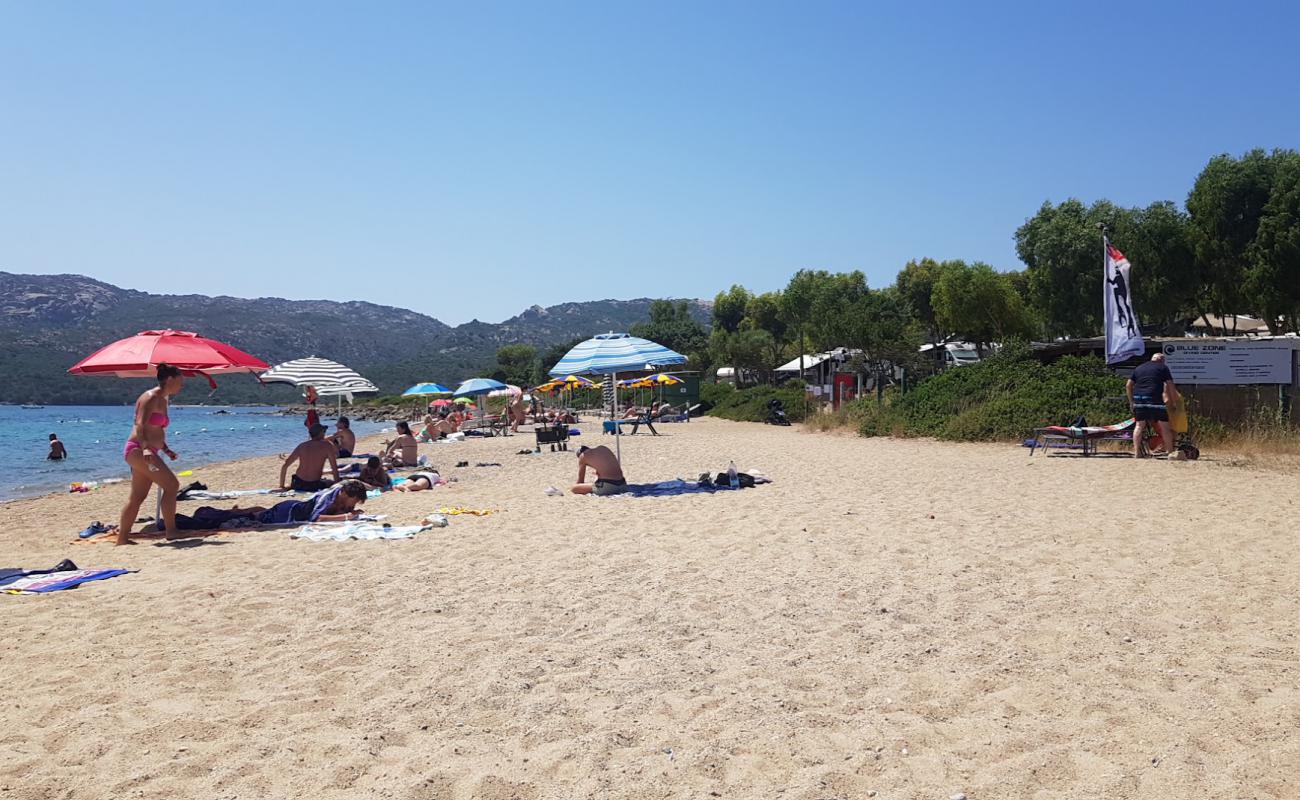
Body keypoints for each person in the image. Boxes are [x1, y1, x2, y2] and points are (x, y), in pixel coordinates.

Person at [116, 363, 185, 545]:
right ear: (170, 379)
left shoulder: (163, 399)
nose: (182, 384)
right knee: (171, 485)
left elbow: (156, 429)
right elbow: (140, 425)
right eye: (180, 380)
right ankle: (171, 531)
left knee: (138, 496)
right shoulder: (150, 397)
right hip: (139, 450)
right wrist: (146, 447)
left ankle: (122, 538)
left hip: (148, 451)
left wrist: (166, 450)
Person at [1127, 352, 1177, 458]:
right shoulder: (1163, 368)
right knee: (1165, 427)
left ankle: (1137, 453)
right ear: (1162, 360)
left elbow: (1128, 385)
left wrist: (1131, 402)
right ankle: (1170, 452)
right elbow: (1170, 385)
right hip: (1155, 401)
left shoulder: (1139, 368)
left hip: (1139, 401)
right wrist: (1173, 402)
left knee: (1139, 426)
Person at [281, 423, 341, 491]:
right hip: (314, 484)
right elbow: (334, 467)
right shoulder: (327, 445)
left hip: (298, 483)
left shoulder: (302, 446)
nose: (325, 434)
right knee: (329, 482)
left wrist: (282, 485)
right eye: (324, 432)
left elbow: (285, 466)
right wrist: (337, 483)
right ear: (320, 433)